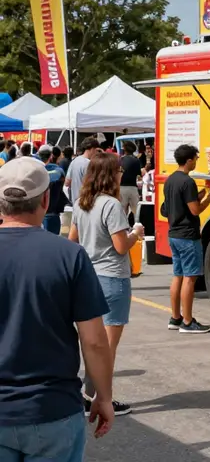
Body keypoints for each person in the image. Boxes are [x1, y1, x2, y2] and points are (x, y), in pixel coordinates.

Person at [0, 157, 115, 459]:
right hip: (52, 410)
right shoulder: (70, 256)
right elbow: (94, 340)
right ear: (46, 199)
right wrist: (104, 397)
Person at [69, 153, 144, 418]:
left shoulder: (81, 203)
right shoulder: (111, 205)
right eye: (119, 171)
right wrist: (135, 234)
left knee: (93, 344)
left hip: (89, 278)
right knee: (108, 347)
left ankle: (88, 396)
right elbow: (121, 246)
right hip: (113, 277)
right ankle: (103, 400)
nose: (122, 175)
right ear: (111, 175)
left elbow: (72, 240)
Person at [164, 144, 210, 333]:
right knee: (190, 278)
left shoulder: (171, 180)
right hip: (188, 235)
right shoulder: (187, 182)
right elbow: (194, 210)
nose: (196, 161)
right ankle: (188, 322)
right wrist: (208, 199)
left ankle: (175, 317)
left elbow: (170, 207)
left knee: (178, 275)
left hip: (174, 234)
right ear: (188, 160)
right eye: (195, 158)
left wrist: (198, 196)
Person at [38, 144, 67, 234]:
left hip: (38, 214)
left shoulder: (35, 170)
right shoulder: (58, 171)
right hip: (53, 213)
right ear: (51, 156)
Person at [65, 137, 101, 205]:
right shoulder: (88, 163)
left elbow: (67, 182)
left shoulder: (74, 161)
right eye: (96, 150)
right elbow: (91, 184)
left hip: (75, 202)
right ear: (92, 149)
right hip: (86, 202)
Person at [118, 141, 142, 223]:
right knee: (136, 211)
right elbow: (139, 175)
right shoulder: (136, 160)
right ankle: (137, 226)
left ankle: (123, 227)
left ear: (124, 149)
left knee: (122, 211)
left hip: (121, 188)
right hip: (133, 187)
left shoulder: (120, 160)